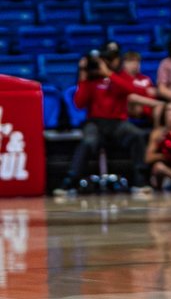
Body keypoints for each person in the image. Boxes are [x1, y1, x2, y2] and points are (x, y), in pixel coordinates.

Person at [55, 50, 150, 195]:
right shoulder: (90, 80)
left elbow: (130, 89)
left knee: (137, 135)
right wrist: (83, 74)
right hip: (95, 122)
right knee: (87, 142)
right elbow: (79, 103)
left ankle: (140, 181)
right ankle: (70, 182)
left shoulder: (119, 76)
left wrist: (109, 74)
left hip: (118, 122)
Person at [122, 50, 159, 125]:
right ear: (124, 64)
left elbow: (153, 93)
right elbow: (129, 94)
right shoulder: (121, 78)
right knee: (133, 98)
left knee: (163, 108)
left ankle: (156, 129)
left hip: (149, 109)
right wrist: (145, 91)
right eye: (131, 61)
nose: (135, 64)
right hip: (131, 109)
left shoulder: (145, 78)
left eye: (137, 61)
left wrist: (156, 91)